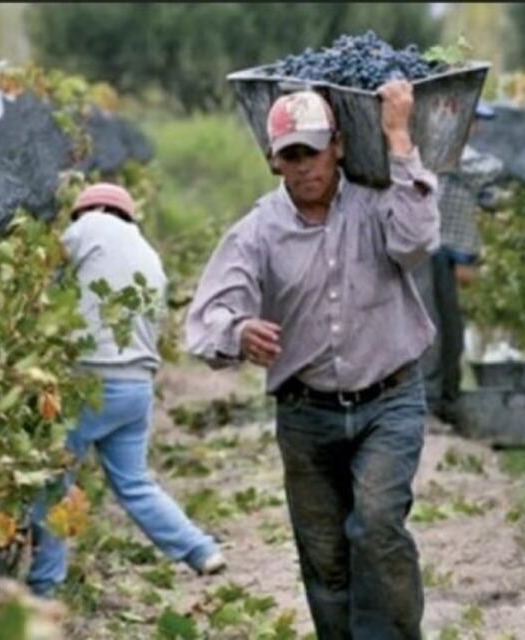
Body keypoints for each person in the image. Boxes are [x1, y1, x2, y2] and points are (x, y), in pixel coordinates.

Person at [185, 82, 439, 639]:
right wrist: (239, 330)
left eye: (313, 151)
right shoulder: (257, 232)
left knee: (376, 525)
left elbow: (418, 242)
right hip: (306, 415)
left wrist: (399, 138)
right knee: (325, 558)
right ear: (274, 162)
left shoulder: (376, 205)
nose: (304, 167)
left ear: (339, 147)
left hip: (388, 402)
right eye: (290, 155)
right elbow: (206, 320)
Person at [26, 183, 225, 598]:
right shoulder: (149, 255)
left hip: (90, 384)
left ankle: (44, 589)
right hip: (136, 388)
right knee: (135, 483)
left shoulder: (89, 227)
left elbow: (42, 274)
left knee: (53, 486)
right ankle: (200, 549)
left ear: (90, 209)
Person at [413, 102, 505, 429]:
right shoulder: (443, 150)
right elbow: (483, 170)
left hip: (445, 250)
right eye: (473, 120)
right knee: (432, 329)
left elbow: (487, 194)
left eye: (478, 122)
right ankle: (427, 406)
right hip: (427, 249)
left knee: (451, 331)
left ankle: (446, 402)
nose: (476, 128)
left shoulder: (455, 155)